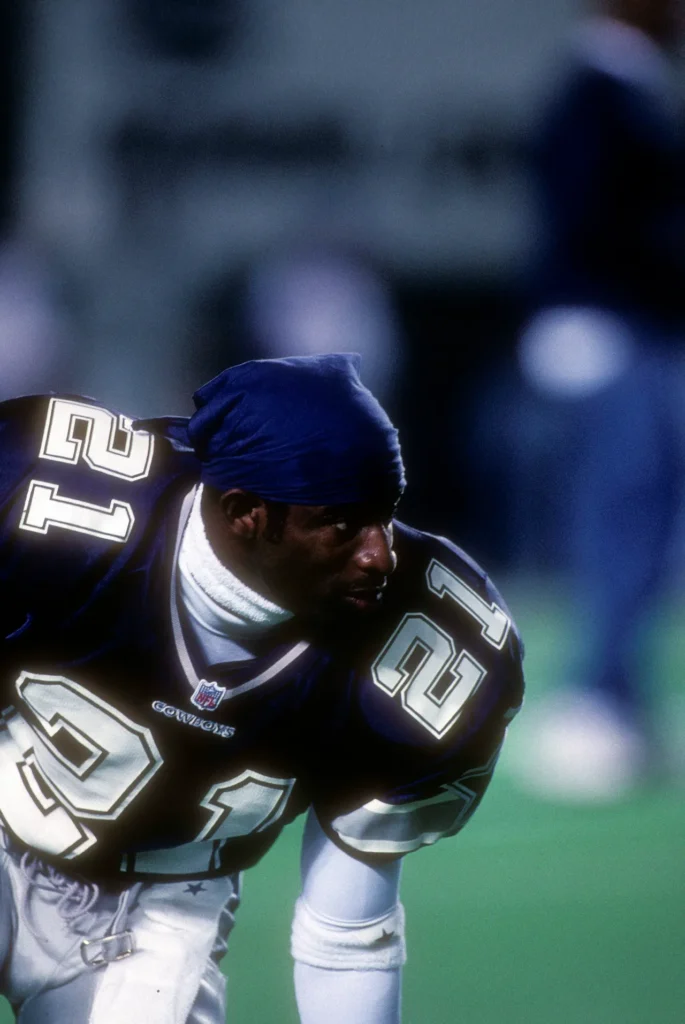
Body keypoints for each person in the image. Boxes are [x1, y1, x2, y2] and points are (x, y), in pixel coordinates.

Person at [0, 353, 524, 1023]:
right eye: (343, 524)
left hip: (155, 909)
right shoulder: (50, 505)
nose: (380, 554)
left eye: (385, 516)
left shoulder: (425, 646)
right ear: (245, 513)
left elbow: (348, 934)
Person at [512, 0, 685, 800]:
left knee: (634, 521)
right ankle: (595, 698)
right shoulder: (596, 95)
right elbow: (591, 222)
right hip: (611, 331)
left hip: (622, 326)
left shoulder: (624, 91)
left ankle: (616, 693)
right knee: (619, 518)